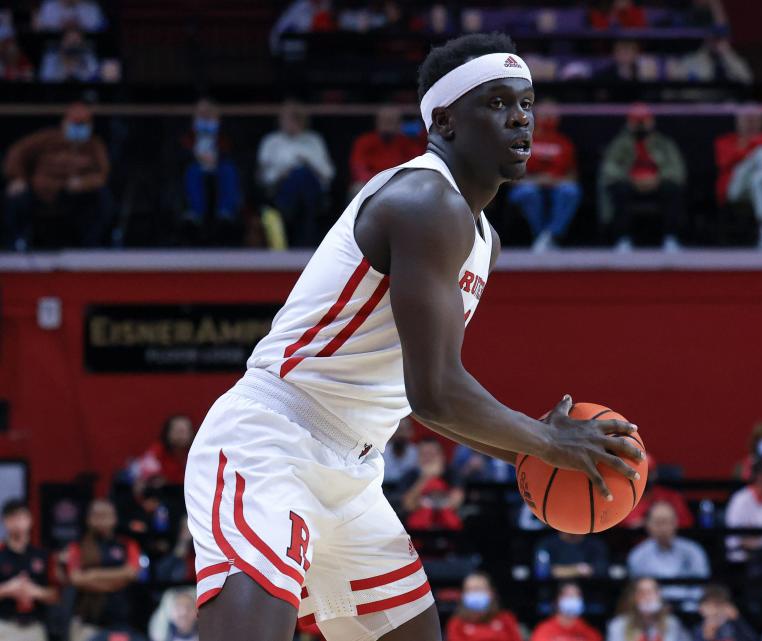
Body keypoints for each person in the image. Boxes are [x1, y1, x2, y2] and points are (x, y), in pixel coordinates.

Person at [184, 32, 644, 641]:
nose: (520, 119)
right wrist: (545, 444)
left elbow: (424, 400)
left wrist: (534, 452)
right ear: (446, 121)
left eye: (527, 103)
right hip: (271, 442)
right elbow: (435, 393)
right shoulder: (426, 200)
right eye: (498, 103)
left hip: (353, 469)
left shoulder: (484, 238)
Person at [3, 101, 110, 250]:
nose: (78, 128)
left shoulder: (94, 145)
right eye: (75, 124)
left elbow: (102, 174)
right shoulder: (47, 138)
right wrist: (17, 178)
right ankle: (15, 243)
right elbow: (16, 152)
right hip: (39, 191)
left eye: (82, 124)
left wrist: (83, 183)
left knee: (100, 198)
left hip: (73, 194)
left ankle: (89, 246)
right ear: (65, 122)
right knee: (16, 197)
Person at [598, 103, 687, 252]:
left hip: (658, 183)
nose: (640, 125)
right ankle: (623, 239)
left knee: (672, 189)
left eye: (643, 121)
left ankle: (670, 238)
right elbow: (608, 169)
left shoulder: (664, 143)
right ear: (629, 123)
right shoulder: (619, 143)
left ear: (651, 121)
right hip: (629, 184)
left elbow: (677, 169)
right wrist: (630, 179)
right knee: (620, 190)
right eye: (636, 121)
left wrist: (657, 179)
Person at [257, 100, 336, 247]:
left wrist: (309, 162)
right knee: (296, 176)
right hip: (281, 189)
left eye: (296, 118)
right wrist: (283, 172)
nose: (292, 122)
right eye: (288, 118)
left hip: (312, 190)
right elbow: (264, 177)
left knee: (303, 175)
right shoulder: (271, 142)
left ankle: (305, 238)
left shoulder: (314, 141)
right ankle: (299, 233)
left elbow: (328, 174)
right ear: (280, 120)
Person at [714, 107, 762, 251]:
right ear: (737, 121)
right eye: (746, 119)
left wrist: (748, 146)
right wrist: (755, 147)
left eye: (755, 119)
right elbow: (725, 161)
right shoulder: (725, 141)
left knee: (759, 179)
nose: (750, 123)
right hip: (736, 189)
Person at [506, 100, 581, 251]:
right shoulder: (520, 139)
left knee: (570, 191)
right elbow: (510, 177)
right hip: (526, 185)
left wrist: (553, 180)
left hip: (556, 185)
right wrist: (537, 180)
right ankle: (542, 236)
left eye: (552, 115)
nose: (548, 119)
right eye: (545, 115)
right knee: (528, 193)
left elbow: (573, 176)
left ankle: (549, 235)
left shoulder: (564, 142)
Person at [65, 498, 141, 641]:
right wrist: (117, 581)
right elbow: (76, 578)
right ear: (88, 519)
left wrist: (93, 574)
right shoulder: (78, 546)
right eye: (97, 515)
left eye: (106, 515)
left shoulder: (126, 544)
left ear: (114, 518)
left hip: (121, 624)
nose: (102, 520)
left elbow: (131, 572)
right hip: (87, 623)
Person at [180, 98, 243, 245]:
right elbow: (175, 157)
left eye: (209, 115)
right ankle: (195, 214)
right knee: (192, 172)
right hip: (196, 168)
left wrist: (217, 157)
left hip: (219, 168)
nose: (205, 118)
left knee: (228, 170)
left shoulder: (226, 136)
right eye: (202, 115)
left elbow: (237, 154)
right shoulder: (185, 136)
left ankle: (226, 213)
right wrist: (194, 155)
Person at [627, 502, 709, 611]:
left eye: (667, 522)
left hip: (690, 609)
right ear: (648, 525)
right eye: (658, 522)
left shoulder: (693, 551)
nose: (663, 527)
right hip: (652, 611)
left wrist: (688, 607)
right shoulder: (637, 555)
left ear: (675, 523)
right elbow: (638, 591)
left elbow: (700, 585)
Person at [0, 500, 57, 641]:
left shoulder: (42, 555)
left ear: (30, 520)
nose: (17, 522)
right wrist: (7, 589)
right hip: (5, 626)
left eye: (22, 517)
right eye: (12, 518)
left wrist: (36, 591)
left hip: (35, 627)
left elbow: (56, 595)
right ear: (4, 522)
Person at [348, 105, 423, 196]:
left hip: (400, 182)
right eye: (384, 121)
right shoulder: (364, 141)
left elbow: (417, 167)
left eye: (391, 121)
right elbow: (358, 168)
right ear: (377, 122)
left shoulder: (407, 142)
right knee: (357, 188)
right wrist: (378, 182)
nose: (387, 125)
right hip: (370, 183)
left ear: (399, 124)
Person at [399, 439, 464, 530]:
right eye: (424, 454)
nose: (428, 459)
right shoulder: (410, 475)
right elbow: (408, 505)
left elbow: (456, 502)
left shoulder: (452, 473)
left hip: (447, 527)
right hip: (417, 529)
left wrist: (428, 503)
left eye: (432, 454)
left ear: (442, 456)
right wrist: (426, 477)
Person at [620, 454, 694, 529]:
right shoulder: (627, 499)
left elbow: (686, 522)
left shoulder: (671, 496)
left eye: (649, 473)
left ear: (655, 474)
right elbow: (620, 525)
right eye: (642, 474)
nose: (646, 478)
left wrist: (660, 522)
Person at [607, 577, 691, 641]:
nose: (647, 597)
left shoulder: (672, 624)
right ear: (634, 598)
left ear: (659, 596)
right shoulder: (618, 625)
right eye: (642, 592)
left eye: (651, 592)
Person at [446, 572, 522, 641]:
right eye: (470, 590)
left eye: (478, 589)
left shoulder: (506, 619)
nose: (474, 593)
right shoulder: (457, 623)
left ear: (491, 593)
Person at [136, 415, 195, 486]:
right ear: (167, 432)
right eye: (178, 430)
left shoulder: (197, 454)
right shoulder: (157, 452)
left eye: (185, 431)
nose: (182, 435)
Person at [530, 583, 602, 641]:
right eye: (568, 595)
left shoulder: (590, 632)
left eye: (576, 596)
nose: (572, 599)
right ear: (557, 600)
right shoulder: (544, 630)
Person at [692, 586, 757, 641]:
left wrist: (737, 619)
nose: (715, 610)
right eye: (709, 605)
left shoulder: (733, 625)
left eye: (718, 605)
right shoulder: (699, 629)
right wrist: (708, 637)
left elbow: (752, 638)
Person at [534, 532, 609, 580]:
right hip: (553, 589)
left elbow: (601, 569)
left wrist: (561, 571)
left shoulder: (595, 544)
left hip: (589, 590)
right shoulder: (546, 544)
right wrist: (579, 569)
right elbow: (542, 572)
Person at [383, 416, 420, 484]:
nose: (401, 434)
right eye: (399, 429)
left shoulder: (416, 452)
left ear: (411, 432)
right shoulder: (382, 450)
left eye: (406, 430)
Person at [34, 0, 107, 32]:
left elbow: (100, 33)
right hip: (52, 51)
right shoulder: (47, 7)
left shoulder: (92, 8)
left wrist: (78, 26)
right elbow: (39, 31)